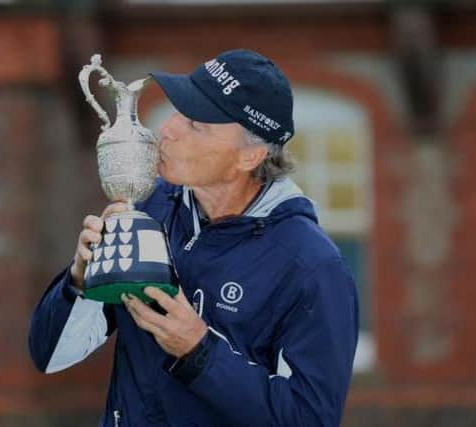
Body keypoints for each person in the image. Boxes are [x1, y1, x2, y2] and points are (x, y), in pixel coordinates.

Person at [28, 49, 359, 427]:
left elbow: (309, 419)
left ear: (249, 156)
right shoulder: (151, 208)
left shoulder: (313, 267)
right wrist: (80, 280)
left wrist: (200, 352)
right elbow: (49, 355)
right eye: (178, 110)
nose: (168, 129)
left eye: (196, 124)